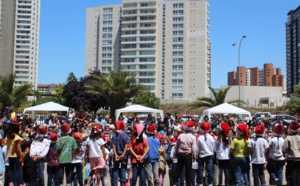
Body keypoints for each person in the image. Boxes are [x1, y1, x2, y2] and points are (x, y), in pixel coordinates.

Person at [173, 120, 197, 186]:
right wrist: (194, 156)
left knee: (178, 169)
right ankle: (188, 184)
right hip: (188, 155)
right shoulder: (193, 137)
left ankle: (175, 183)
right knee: (188, 171)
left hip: (180, 154)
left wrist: (175, 153)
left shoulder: (180, 135)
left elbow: (176, 146)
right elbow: (194, 149)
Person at [128, 122, 149, 186]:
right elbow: (131, 148)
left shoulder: (142, 139)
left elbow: (147, 147)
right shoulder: (134, 139)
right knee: (136, 177)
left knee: (140, 177)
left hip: (139, 159)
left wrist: (142, 156)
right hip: (136, 160)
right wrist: (139, 156)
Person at [111, 119, 130, 186]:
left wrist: (116, 154)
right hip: (123, 156)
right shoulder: (125, 136)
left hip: (116, 155)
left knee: (115, 169)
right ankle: (122, 183)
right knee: (123, 169)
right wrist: (123, 154)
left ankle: (115, 183)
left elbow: (113, 146)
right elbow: (126, 146)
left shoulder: (114, 136)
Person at [6, 120, 24, 186]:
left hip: (10, 155)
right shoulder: (17, 137)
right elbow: (18, 148)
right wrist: (21, 156)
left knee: (11, 169)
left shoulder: (8, 136)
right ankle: (20, 183)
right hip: (16, 155)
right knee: (19, 169)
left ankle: (11, 183)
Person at [197, 122, 215, 186]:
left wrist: (197, 154)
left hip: (201, 155)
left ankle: (200, 183)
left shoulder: (199, 137)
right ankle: (210, 183)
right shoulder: (211, 137)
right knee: (209, 169)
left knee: (200, 169)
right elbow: (213, 147)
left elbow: (197, 148)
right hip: (209, 155)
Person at [282, 120, 300, 185]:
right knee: (298, 174)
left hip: (291, 159)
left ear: (290, 129)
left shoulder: (288, 138)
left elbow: (284, 149)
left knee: (291, 175)